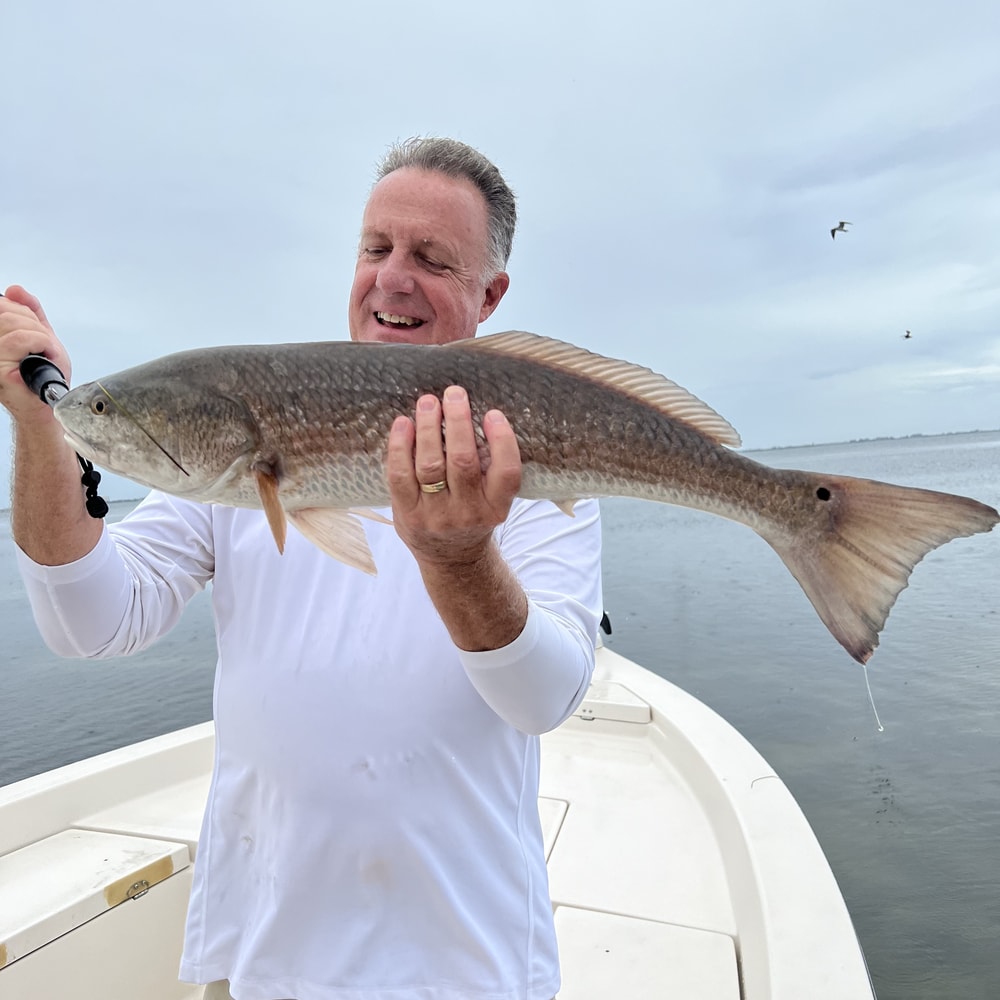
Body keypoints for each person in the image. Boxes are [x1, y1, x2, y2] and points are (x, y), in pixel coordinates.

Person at [0, 138, 603, 1000]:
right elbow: (90, 621)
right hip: (261, 965)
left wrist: (458, 558)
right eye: (375, 248)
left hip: (461, 972)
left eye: (432, 259)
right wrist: (35, 423)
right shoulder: (239, 450)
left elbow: (546, 697)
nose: (393, 277)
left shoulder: (529, 456)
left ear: (489, 295)